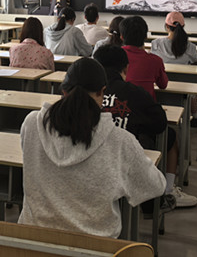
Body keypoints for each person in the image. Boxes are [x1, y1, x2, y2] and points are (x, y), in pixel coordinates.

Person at [18, 57, 166, 238]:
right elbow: (156, 186)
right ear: (102, 92)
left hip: (33, 240)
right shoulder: (120, 140)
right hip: (95, 245)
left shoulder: (32, 123)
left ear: (63, 91)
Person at [94, 44, 197, 208]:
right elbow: (160, 124)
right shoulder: (136, 93)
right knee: (168, 135)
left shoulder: (82, 94)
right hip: (124, 162)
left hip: (91, 160)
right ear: (126, 68)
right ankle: (166, 191)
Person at [119, 16, 168, 99]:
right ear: (146, 36)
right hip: (146, 105)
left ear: (121, 37)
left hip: (118, 104)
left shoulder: (112, 56)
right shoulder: (155, 61)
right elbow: (163, 85)